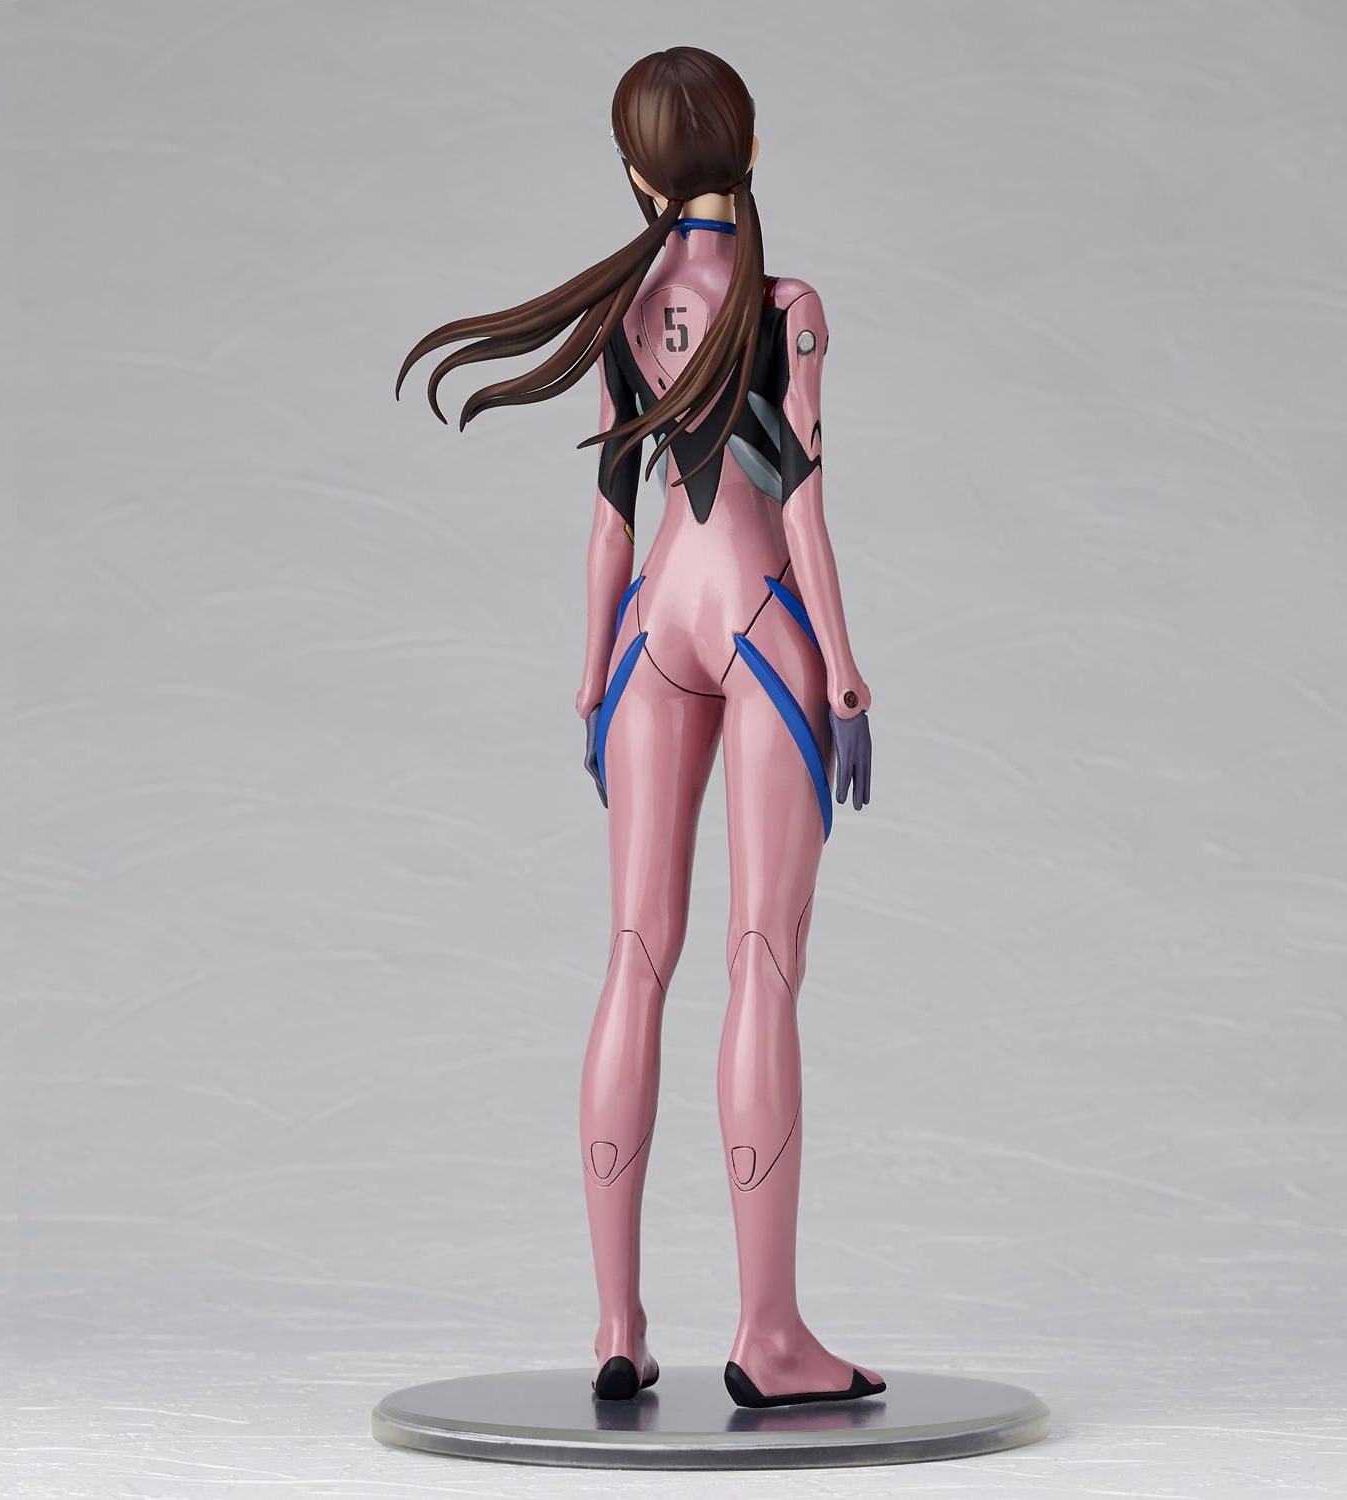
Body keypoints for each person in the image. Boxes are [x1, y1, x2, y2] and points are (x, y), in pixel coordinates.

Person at [396, 45, 881, 1410]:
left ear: (633, 172)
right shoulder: (786, 307)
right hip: (762, 620)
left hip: (649, 629)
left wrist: (588, 676)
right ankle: (768, 1337)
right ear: (753, 153)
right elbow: (804, 506)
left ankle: (617, 1324)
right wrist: (847, 678)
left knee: (633, 956)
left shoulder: (626, 310)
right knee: (760, 962)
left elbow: (611, 515)